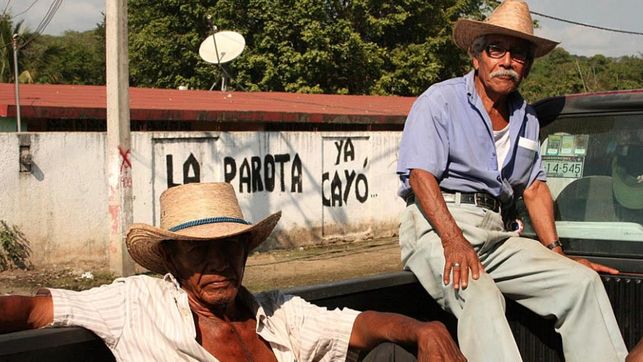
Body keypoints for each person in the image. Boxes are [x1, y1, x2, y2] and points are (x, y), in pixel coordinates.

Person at [396, 0, 628, 361]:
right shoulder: (440, 101)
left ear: (527, 67)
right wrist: (454, 240)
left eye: (518, 55)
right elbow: (420, 175)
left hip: (497, 233)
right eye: (495, 49)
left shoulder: (527, 118)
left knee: (581, 283)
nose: (506, 61)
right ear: (476, 57)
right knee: (481, 298)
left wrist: (557, 254)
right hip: (440, 224)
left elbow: (534, 188)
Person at [0, 182, 466, 362]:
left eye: (230, 248)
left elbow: (359, 324)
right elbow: (37, 310)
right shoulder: (136, 304)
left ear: (246, 251)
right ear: (172, 258)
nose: (219, 263)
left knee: (396, 354)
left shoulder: (277, 314)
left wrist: (422, 327)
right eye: (200, 252)